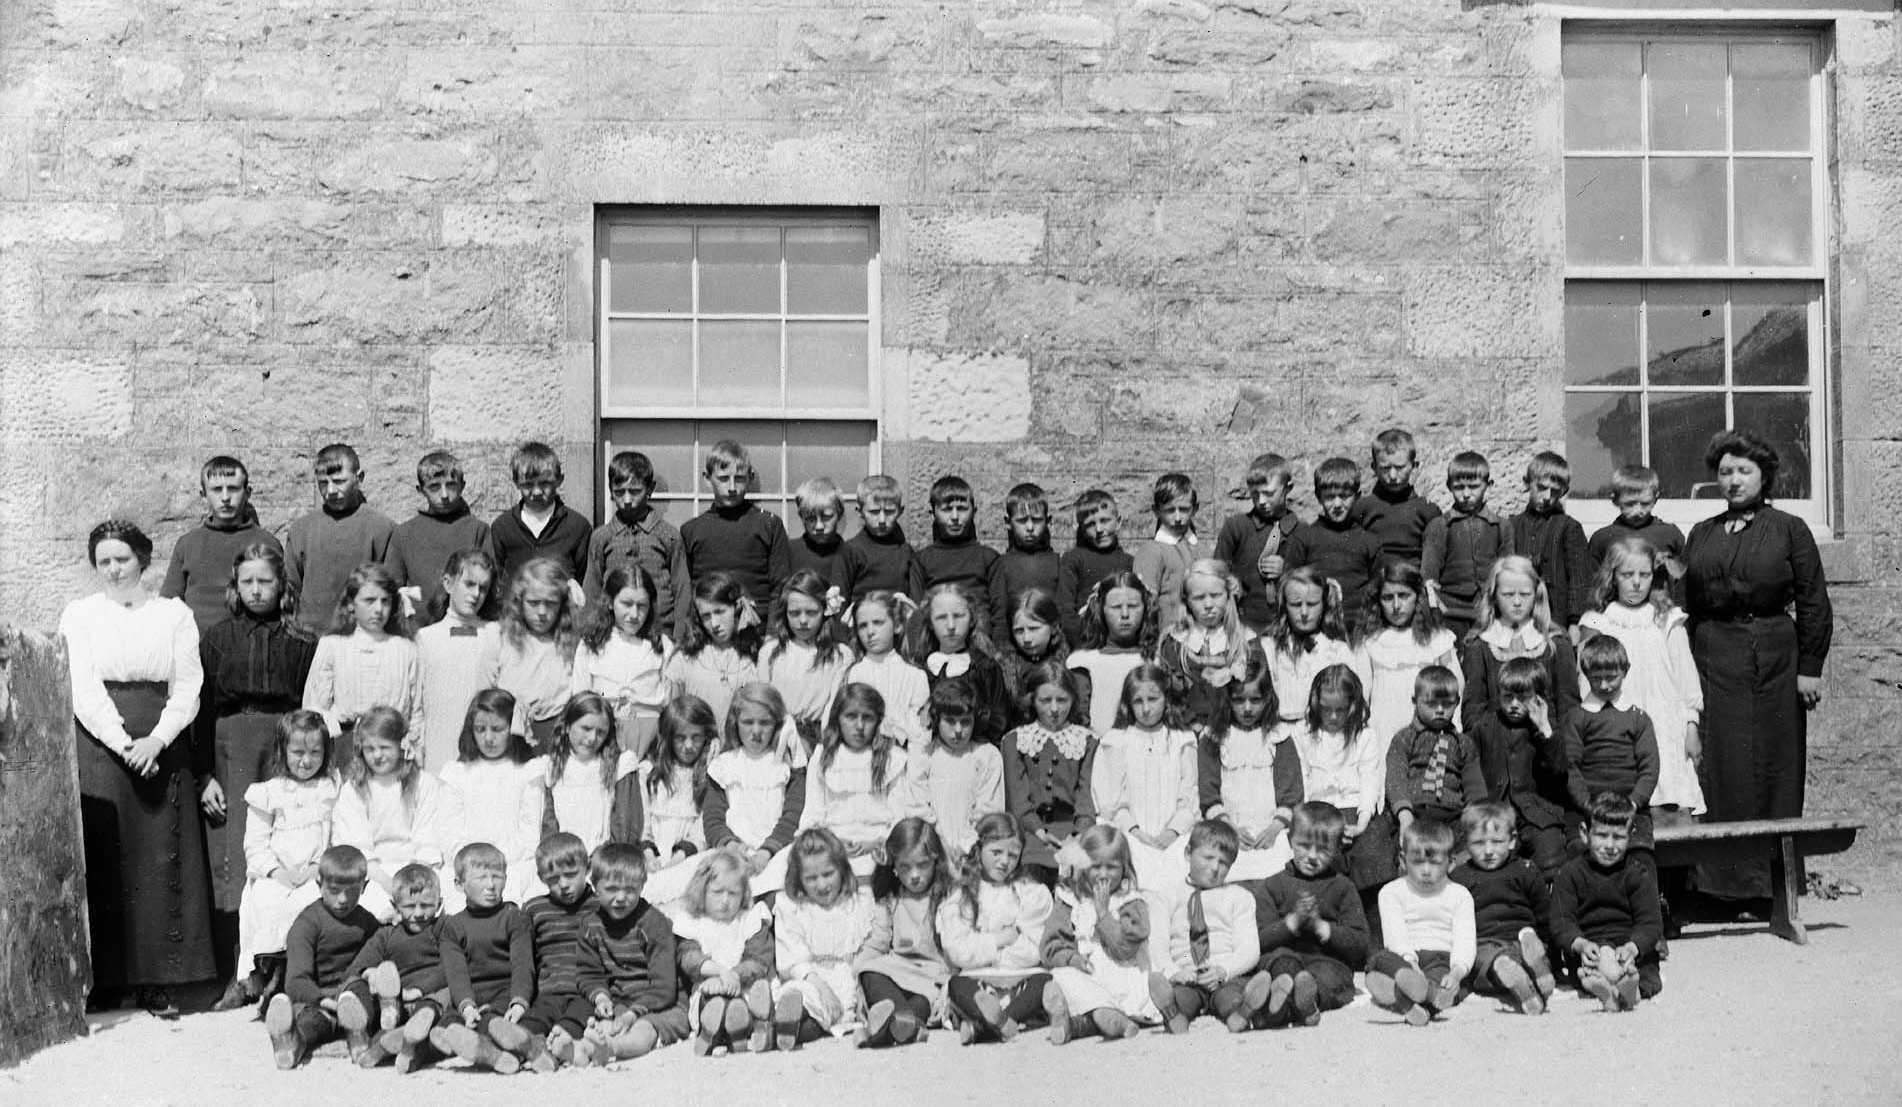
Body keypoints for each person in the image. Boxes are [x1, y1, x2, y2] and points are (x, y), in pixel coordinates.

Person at [59, 519, 210, 1015]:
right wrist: (124, 743)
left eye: (122, 559)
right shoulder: (81, 615)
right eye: (103, 561)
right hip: (103, 741)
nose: (113, 569)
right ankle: (107, 979)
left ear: (142, 560)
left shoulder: (173, 614)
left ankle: (160, 980)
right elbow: (82, 685)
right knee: (107, 854)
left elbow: (187, 685)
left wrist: (158, 740)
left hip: (162, 739)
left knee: (160, 859)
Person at [1681, 428, 1831, 905]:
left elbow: (1813, 601)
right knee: (1718, 768)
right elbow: (1685, 603)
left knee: (1773, 766)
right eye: (1725, 471)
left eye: (1744, 471)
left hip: (1774, 660)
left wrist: (1810, 667)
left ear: (1764, 476)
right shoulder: (1701, 533)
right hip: (1712, 659)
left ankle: (1772, 888)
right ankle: (1716, 888)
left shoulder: (1790, 529)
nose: (1733, 480)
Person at [196, 541, 318, 1002]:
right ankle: (240, 972)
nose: (256, 590)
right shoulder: (217, 638)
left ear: (282, 586)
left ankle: (284, 970)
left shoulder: (302, 641)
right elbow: (201, 709)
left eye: (265, 581)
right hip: (233, 746)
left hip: (285, 743)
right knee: (237, 856)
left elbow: (311, 705)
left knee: (287, 845)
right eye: (247, 581)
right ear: (235, 586)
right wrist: (204, 775)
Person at [1581, 537, 1705, 828]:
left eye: (1644, 575)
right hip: (1618, 720)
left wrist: (1691, 726)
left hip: (1665, 721)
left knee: (1669, 788)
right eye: (1627, 575)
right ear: (1612, 576)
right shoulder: (1597, 621)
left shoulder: (1667, 619)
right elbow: (1586, 682)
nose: (1636, 583)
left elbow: (1686, 679)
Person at [229, 709, 340, 1013]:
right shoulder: (268, 793)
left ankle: (294, 980)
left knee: (309, 904)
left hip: (316, 872)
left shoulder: (330, 790)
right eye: (298, 753)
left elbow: (335, 838)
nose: (306, 761)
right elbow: (255, 845)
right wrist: (277, 872)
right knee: (265, 900)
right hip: (277, 874)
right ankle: (269, 977)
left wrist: (317, 868)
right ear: (283, 751)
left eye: (315, 752)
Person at [1246, 802, 1373, 1029]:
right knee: (1281, 963)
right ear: (1289, 840)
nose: (1313, 856)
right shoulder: (1271, 885)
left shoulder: (1343, 887)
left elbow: (1361, 944)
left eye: (1323, 850)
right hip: (1282, 957)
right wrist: (1292, 922)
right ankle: (1284, 998)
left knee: (1331, 978)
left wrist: (1320, 926)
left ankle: (1302, 1001)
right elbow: (1259, 941)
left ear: (1337, 848)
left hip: (1327, 960)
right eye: (1304, 846)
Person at [937, 813, 1056, 1044]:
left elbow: (1034, 949)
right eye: (996, 852)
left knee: (1043, 981)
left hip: (1019, 976)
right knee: (956, 986)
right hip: (977, 979)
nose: (1004, 862)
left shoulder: (1029, 892)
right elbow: (958, 950)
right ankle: (1002, 1022)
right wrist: (999, 940)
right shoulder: (963, 894)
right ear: (979, 849)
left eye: (1013, 855)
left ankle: (987, 1026)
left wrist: (992, 956)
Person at [571, 842, 692, 1065]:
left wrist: (633, 1014)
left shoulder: (654, 923)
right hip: (621, 1003)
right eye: (611, 889)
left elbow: (664, 987)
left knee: (643, 1030)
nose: (621, 897)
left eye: (630, 890)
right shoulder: (590, 926)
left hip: (663, 1005)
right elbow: (588, 973)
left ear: (642, 885)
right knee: (603, 1025)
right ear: (595, 886)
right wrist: (601, 997)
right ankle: (581, 1049)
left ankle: (613, 1048)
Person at [264, 845, 379, 1069]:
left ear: (364, 887)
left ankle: (358, 1034)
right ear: (319, 884)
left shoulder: (367, 922)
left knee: (361, 994)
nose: (343, 899)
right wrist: (327, 1003)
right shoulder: (307, 924)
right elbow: (296, 981)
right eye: (334, 890)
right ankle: (292, 1041)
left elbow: (380, 952)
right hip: (319, 1000)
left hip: (354, 994)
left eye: (351, 891)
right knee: (313, 1022)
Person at [1040, 825, 1156, 1043]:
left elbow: (1125, 949)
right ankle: (1099, 1015)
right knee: (1059, 975)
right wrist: (1072, 959)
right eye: (1095, 867)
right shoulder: (1071, 899)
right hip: (1088, 974)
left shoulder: (1131, 901)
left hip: (1122, 974)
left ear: (1124, 868)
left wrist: (1103, 916)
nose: (1103, 874)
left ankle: (1089, 1020)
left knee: (1115, 995)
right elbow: (1050, 946)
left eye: (1111, 867)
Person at [1286, 664, 1392, 901]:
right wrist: (1320, 824)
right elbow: (1303, 783)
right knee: (1324, 858)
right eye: (1326, 709)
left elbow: (1369, 779)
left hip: (1357, 813)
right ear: (1316, 704)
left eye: (1341, 709)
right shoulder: (1303, 734)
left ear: (1352, 706)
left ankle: (1370, 912)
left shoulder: (1364, 735)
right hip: (1318, 815)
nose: (1333, 717)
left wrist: (1361, 824)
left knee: (1374, 850)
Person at [493, 833, 598, 1071]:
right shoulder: (535, 909)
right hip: (549, 991)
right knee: (532, 1021)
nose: (564, 884)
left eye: (571, 875)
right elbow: (525, 958)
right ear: (541, 878)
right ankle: (519, 1051)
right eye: (553, 879)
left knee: (574, 1021)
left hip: (588, 991)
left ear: (588, 868)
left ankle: (556, 1048)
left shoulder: (601, 905)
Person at [330, 706, 444, 922]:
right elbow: (357, 845)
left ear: (401, 746)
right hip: (374, 872)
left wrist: (414, 878)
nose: (377, 755)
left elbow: (428, 836)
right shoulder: (354, 788)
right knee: (369, 907)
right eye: (369, 749)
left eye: (385, 747)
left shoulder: (423, 784)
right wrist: (386, 882)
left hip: (416, 866)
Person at [1550, 792, 1663, 1010]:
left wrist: (1633, 947)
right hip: (1590, 947)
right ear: (1584, 833)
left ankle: (1629, 991)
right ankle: (1613, 989)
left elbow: (1650, 922)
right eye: (1602, 836)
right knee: (1587, 970)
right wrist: (1580, 944)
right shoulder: (1569, 873)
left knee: (1649, 977)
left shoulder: (1638, 873)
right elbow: (1561, 922)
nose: (1610, 845)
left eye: (1618, 837)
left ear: (1630, 835)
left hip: (1629, 949)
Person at [430, 842, 536, 1074]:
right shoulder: (453, 926)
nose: (491, 885)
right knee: (446, 1025)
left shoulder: (514, 918)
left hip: (505, 992)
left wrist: (519, 1002)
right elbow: (456, 973)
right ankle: (418, 1048)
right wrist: (467, 1006)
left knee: (494, 1021)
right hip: (470, 993)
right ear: (459, 885)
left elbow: (522, 965)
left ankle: (487, 1049)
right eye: (481, 878)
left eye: (497, 877)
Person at [1147, 821, 1260, 1035]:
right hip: (1186, 976)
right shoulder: (1167, 897)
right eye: (1208, 858)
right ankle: (1174, 1015)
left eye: (1224, 862)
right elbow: (1157, 945)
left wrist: (1224, 970)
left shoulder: (1239, 897)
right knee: (1181, 998)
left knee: (1231, 997)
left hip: (1226, 975)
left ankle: (1241, 1014)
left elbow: (1249, 948)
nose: (1215, 867)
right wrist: (1173, 973)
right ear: (1188, 853)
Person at [770, 828, 879, 1050]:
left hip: (847, 980)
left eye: (828, 874)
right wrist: (822, 989)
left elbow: (868, 949)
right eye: (811, 878)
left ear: (842, 869)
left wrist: (862, 986)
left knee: (818, 1025)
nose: (821, 885)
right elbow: (793, 961)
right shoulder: (792, 908)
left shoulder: (857, 904)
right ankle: (786, 1018)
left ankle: (779, 1031)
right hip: (811, 979)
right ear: (798, 879)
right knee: (801, 996)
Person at [301, 562, 422, 759]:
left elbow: (416, 712)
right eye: (369, 601)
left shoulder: (406, 649)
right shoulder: (333, 645)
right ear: (351, 603)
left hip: (391, 748)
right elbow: (314, 707)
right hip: (345, 747)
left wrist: (413, 751)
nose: (378, 609)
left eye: (385, 601)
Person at [853, 818, 956, 1048]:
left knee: (922, 1002)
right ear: (894, 865)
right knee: (870, 972)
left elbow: (958, 947)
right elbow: (877, 942)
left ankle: (883, 1031)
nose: (915, 875)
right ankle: (902, 1026)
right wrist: (857, 979)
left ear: (935, 861)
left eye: (923, 865)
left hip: (932, 975)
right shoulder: (892, 896)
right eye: (905, 867)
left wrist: (951, 984)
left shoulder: (949, 895)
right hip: (898, 967)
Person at [1093, 664, 1198, 889]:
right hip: (1130, 836)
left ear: (1166, 700)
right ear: (1128, 704)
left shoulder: (1182, 740)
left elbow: (1189, 797)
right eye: (1138, 701)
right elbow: (1111, 802)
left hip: (1174, 838)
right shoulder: (1116, 741)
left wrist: (1172, 832)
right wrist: (1135, 833)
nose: (1146, 708)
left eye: (1153, 699)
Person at [800, 683, 921, 876]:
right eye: (850, 716)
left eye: (867, 718)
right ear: (838, 719)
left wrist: (878, 843)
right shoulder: (823, 757)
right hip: (832, 845)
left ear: (878, 721)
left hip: (878, 845)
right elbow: (813, 814)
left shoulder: (892, 758)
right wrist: (832, 843)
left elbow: (899, 815)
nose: (859, 726)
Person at [437, 690, 545, 905]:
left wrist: (499, 865)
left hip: (513, 865)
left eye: (497, 729)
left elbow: (530, 833)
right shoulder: (457, 772)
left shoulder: (528, 770)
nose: (488, 738)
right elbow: (449, 832)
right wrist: (474, 865)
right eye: (480, 729)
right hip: (468, 867)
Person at [1559, 635, 1661, 861]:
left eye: (1611, 677)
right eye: (1596, 678)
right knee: (1579, 854)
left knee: (1640, 856)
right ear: (1586, 675)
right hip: (1587, 808)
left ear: (1625, 671)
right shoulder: (1577, 718)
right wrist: (1586, 804)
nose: (1604, 685)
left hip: (1631, 808)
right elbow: (1570, 767)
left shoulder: (1639, 719)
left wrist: (1634, 803)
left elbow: (1650, 768)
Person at [341, 863, 451, 1072]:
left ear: (439, 903)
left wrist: (419, 990)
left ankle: (396, 1046)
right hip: (397, 1001)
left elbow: (452, 965)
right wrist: (370, 974)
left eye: (426, 905)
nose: (418, 913)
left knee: (447, 996)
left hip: (431, 997)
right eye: (410, 906)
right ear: (395, 905)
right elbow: (356, 967)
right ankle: (376, 1039)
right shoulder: (386, 935)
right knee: (360, 986)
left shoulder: (444, 928)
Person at [1198, 656, 1299, 882]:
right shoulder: (1214, 737)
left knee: (1274, 879)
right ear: (1228, 699)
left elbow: (1291, 793)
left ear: (1268, 699)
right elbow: (1207, 792)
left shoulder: (1278, 737)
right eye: (1239, 700)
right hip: (1227, 832)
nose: (1247, 708)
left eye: (1255, 700)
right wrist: (1228, 827)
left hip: (1271, 833)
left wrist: (1274, 829)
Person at [1365, 818, 1474, 1026]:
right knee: (1378, 961)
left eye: (1434, 863)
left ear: (1451, 862)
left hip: (1441, 959)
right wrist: (1411, 964)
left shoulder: (1460, 895)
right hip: (1403, 959)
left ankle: (1408, 1001)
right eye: (1417, 862)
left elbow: (1465, 940)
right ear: (1403, 860)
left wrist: (1457, 973)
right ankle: (1424, 995)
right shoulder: (1391, 892)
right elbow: (1395, 936)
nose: (1425, 870)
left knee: (1446, 985)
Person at [1450, 802, 1556, 1015]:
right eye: (1479, 843)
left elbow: (1544, 915)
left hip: (1503, 943)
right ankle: (1531, 988)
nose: (1488, 851)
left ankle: (1526, 963)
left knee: (1486, 968)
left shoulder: (1526, 871)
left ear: (1512, 840)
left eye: (1497, 842)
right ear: (1466, 843)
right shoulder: (1459, 878)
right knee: (1495, 960)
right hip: (1499, 943)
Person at [703, 682, 807, 897]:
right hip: (732, 853)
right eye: (748, 722)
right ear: (735, 723)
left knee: (777, 892)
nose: (756, 731)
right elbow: (713, 819)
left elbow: (793, 816)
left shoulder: (786, 767)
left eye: (765, 723)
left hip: (777, 853)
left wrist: (767, 852)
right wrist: (731, 846)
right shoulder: (724, 765)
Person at [1468, 657, 1571, 876]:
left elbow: (1560, 768)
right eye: (1507, 697)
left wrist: (1544, 728)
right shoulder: (1484, 727)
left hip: (1539, 815)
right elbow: (1469, 769)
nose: (1514, 704)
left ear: (1538, 698)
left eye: (1523, 698)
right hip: (1497, 813)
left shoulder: (1547, 728)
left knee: (1550, 856)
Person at [284, 443, 396, 636]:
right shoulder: (301, 529)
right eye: (323, 483)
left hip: (362, 637)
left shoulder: (382, 528)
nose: (331, 491)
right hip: (309, 638)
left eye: (339, 481)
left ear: (359, 478)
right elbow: (291, 589)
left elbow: (390, 589)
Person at [672, 847, 775, 1056]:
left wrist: (734, 976)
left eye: (733, 893)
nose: (725, 900)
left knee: (753, 998)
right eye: (717, 892)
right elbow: (688, 957)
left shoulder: (750, 919)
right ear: (701, 890)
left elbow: (759, 958)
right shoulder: (692, 921)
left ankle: (745, 1025)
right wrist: (719, 974)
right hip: (709, 987)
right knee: (713, 1001)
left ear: (744, 893)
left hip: (746, 987)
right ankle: (723, 1030)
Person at [1459, 556, 1580, 734]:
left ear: (1536, 595)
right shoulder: (1480, 646)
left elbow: (1569, 711)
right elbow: (1472, 714)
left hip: (1547, 745)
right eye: (1508, 594)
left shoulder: (1556, 645)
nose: (1517, 602)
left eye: (1524, 594)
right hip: (1496, 745)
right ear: (1494, 596)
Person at [161, 454, 281, 632]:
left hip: (249, 643)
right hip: (196, 644)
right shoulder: (188, 544)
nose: (225, 497)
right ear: (203, 495)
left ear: (247, 493)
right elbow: (168, 605)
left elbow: (282, 603)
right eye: (217, 489)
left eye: (233, 488)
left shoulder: (266, 543)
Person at [1001, 662, 1099, 878]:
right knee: (1031, 876)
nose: (1054, 709)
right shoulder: (1015, 741)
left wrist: (1079, 833)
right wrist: (1039, 831)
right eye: (1045, 700)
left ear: (1073, 699)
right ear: (1032, 700)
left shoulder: (1087, 741)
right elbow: (1018, 801)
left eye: (1062, 700)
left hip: (1075, 835)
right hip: (1030, 835)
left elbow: (1086, 796)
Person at [1358, 559, 1461, 753]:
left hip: (1429, 731)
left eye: (1404, 596)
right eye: (1388, 598)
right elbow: (1362, 695)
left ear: (1418, 597)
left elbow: (1455, 689)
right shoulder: (1371, 642)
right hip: (1384, 731)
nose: (1396, 605)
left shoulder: (1438, 639)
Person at [572, 564, 674, 759]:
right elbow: (580, 698)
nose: (634, 614)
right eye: (626, 604)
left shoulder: (661, 645)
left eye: (642, 606)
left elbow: (670, 702)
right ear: (610, 602)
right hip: (603, 737)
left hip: (650, 740)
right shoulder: (592, 643)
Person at [584, 450, 689, 639]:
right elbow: (591, 590)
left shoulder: (669, 536)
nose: (626, 500)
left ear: (650, 489)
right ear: (610, 489)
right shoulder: (601, 537)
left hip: (660, 634)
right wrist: (590, 635)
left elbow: (682, 590)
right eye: (619, 492)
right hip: (613, 636)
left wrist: (680, 639)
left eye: (634, 492)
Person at [680, 439, 792, 613]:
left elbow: (781, 587)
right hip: (708, 623)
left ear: (750, 478)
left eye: (739, 479)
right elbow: (685, 592)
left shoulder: (769, 525)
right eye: (723, 479)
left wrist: (772, 628)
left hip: (759, 625)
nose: (732, 487)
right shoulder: (691, 531)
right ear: (707, 479)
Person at [414, 548, 502, 770]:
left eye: (483, 588)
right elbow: (416, 705)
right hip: (438, 750)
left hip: (484, 753)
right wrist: (417, 750)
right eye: (469, 584)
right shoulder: (427, 638)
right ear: (448, 583)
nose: (475, 594)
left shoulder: (495, 633)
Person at [1155, 558, 1265, 731]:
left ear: (1228, 596)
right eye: (1198, 598)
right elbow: (1168, 695)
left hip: (1233, 729)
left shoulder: (1246, 642)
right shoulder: (1175, 643)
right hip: (1185, 729)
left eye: (1215, 596)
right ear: (1187, 601)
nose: (1208, 605)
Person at [632, 695, 717, 909]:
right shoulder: (648, 772)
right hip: (652, 853)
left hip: (689, 855)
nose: (688, 746)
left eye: (696, 737)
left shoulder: (711, 772)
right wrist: (649, 854)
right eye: (680, 738)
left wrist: (678, 859)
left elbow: (702, 829)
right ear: (668, 738)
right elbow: (643, 821)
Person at [387, 450, 490, 625]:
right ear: (421, 490)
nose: (444, 495)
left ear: (462, 486)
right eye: (434, 487)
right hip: (417, 631)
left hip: (466, 629)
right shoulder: (403, 534)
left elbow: (488, 589)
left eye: (451, 486)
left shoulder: (478, 531)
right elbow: (391, 590)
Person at [904, 581, 1011, 746]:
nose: (951, 626)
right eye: (941, 617)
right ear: (930, 623)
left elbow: (999, 721)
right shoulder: (922, 670)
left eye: (958, 616)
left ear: (972, 619)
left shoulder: (984, 668)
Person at [1384, 666, 1486, 834]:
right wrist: (1405, 815)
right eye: (1431, 704)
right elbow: (1396, 779)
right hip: (1414, 812)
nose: (1439, 710)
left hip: (1453, 815)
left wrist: (1476, 815)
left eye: (1447, 704)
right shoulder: (1404, 739)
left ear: (1457, 702)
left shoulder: (1463, 743)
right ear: (1415, 701)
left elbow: (1474, 786)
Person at [1421, 450, 1509, 639]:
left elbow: (1508, 573)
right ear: (1449, 486)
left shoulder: (1502, 527)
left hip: (1489, 610)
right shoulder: (1439, 526)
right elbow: (1429, 574)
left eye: (1474, 486)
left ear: (1489, 486)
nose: (1466, 494)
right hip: (1449, 611)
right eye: (1459, 487)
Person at [492, 557, 580, 746]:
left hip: (557, 734)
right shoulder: (503, 638)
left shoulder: (571, 644)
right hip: (509, 733)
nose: (541, 612)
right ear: (520, 601)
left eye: (550, 603)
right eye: (533, 602)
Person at [1264, 565, 1366, 727]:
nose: (1304, 613)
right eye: (1296, 604)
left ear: (1324, 604)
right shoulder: (1271, 648)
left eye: (1312, 604)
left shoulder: (1337, 650)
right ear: (1284, 606)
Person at [539, 692, 642, 852]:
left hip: (608, 858)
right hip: (566, 859)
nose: (593, 738)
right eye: (586, 728)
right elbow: (549, 826)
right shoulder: (553, 767)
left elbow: (624, 828)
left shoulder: (620, 765)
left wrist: (599, 859)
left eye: (601, 732)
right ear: (567, 726)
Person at [914, 678, 1005, 857]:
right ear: (937, 719)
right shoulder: (924, 755)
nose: (958, 730)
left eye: (965, 722)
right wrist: (940, 845)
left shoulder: (986, 755)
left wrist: (965, 846)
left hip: (975, 850)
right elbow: (918, 806)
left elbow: (990, 809)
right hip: (932, 849)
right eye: (950, 721)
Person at [763, 569, 853, 747]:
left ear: (825, 611)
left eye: (811, 612)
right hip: (777, 735)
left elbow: (833, 706)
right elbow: (763, 701)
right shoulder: (771, 651)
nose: (803, 621)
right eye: (795, 613)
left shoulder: (840, 655)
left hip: (820, 737)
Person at [663, 571, 763, 730]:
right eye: (706, 616)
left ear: (736, 608)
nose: (714, 623)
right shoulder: (685, 658)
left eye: (720, 612)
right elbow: (672, 716)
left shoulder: (753, 655)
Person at [1282, 457, 1381, 613]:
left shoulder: (1369, 541)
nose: (1337, 504)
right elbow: (1289, 584)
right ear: (1318, 497)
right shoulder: (1303, 538)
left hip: (1358, 621)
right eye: (1329, 497)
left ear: (1357, 496)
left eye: (1344, 496)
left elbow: (1378, 588)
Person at [1506, 451, 1591, 632]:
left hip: (1557, 617)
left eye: (1555, 492)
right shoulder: (1512, 526)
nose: (1547, 497)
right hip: (1518, 616)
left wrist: (1574, 623)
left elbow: (1578, 580)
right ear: (1527, 483)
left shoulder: (1569, 527)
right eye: (1541, 488)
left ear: (1564, 492)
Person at [1215, 453, 1299, 635]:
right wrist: (1230, 581)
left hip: (1287, 627)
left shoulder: (1302, 531)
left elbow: (1313, 577)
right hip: (1244, 626)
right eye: (1255, 494)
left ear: (1288, 488)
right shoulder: (1236, 527)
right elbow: (1217, 570)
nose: (1261, 501)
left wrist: (1287, 570)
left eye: (1269, 494)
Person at [487, 441, 591, 585]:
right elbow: (494, 580)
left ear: (559, 480)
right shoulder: (503, 527)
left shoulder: (577, 527)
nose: (536, 492)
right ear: (516, 483)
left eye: (544, 483)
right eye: (528, 485)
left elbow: (584, 581)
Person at [1067, 571, 1157, 736]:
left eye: (1133, 606)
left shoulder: (1155, 659)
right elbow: (1079, 720)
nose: (1125, 614)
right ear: (1101, 610)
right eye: (1116, 607)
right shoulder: (1083, 661)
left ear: (1145, 608)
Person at [842, 590, 929, 749]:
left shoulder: (914, 676)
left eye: (878, 623)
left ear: (897, 625)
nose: (870, 632)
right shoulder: (854, 673)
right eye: (863, 626)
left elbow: (921, 730)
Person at [917, 475, 1001, 637]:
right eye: (947, 509)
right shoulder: (922, 560)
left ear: (974, 511)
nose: (955, 517)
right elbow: (917, 612)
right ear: (933, 513)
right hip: (939, 640)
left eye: (962, 509)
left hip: (981, 639)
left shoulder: (988, 558)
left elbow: (1000, 614)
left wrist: (999, 647)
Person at [1351, 428, 1443, 569]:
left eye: (1399, 468)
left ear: (1414, 466)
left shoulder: (1427, 510)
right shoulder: (1362, 508)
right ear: (1374, 468)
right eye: (1385, 468)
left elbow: (1434, 558)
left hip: (1413, 577)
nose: (1393, 476)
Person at [1057, 489, 1134, 643]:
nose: (1099, 530)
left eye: (1105, 521)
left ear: (1118, 521)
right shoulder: (1073, 560)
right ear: (1081, 528)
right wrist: (1086, 639)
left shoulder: (1129, 562)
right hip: (1085, 641)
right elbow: (1065, 611)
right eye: (1091, 524)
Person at [1587, 463, 1686, 582]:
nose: (1638, 511)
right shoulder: (1602, 538)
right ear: (1615, 500)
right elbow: (1594, 583)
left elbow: (1684, 578)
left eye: (1645, 504)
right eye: (1630, 504)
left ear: (1655, 499)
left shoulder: (1670, 534)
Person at [988, 482, 1062, 640]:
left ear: (1048, 521)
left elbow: (1061, 611)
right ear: (1008, 522)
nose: (1030, 527)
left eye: (1037, 520)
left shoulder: (1057, 563)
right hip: (1015, 641)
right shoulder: (1001, 564)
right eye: (1022, 520)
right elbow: (999, 615)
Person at [787, 476, 866, 620]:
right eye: (811, 518)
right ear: (801, 516)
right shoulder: (789, 551)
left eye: (826, 517)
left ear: (839, 513)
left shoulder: (852, 554)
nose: (819, 526)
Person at [1131, 472, 1201, 632]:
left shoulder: (1197, 547)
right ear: (1156, 511)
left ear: (1195, 509)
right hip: (1166, 635)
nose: (1178, 517)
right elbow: (1145, 603)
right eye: (1170, 510)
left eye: (1184, 509)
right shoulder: (1151, 551)